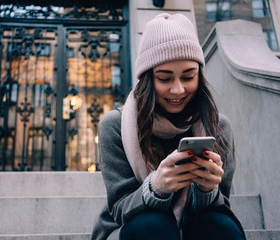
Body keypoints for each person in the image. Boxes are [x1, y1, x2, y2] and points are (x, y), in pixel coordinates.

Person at [91, 13, 246, 240]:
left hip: (197, 222)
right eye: (164, 78)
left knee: (221, 225)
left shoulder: (218, 125)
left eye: (188, 76)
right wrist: (155, 187)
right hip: (134, 226)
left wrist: (208, 190)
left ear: (199, 76)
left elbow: (222, 203)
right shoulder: (114, 125)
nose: (178, 90)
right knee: (154, 225)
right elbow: (120, 207)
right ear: (148, 79)